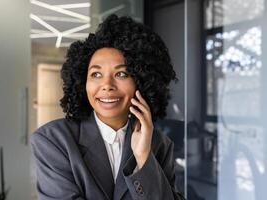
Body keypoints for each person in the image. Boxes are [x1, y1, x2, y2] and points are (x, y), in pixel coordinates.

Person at [30, 14, 185, 200]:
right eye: (96, 74)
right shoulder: (53, 140)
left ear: (141, 81)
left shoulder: (159, 144)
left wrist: (144, 158)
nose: (107, 85)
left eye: (121, 74)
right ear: (82, 82)